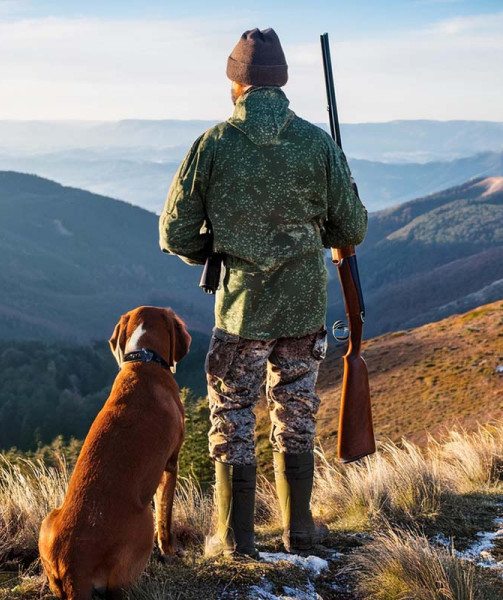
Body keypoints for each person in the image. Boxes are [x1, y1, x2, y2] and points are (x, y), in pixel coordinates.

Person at [158, 27, 367, 558]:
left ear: (236, 84)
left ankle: (234, 538)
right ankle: (301, 529)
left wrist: (217, 249)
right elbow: (351, 229)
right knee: (295, 410)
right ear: (283, 83)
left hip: (241, 306)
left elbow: (174, 234)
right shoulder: (318, 142)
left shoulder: (212, 145)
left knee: (233, 415)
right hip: (302, 304)